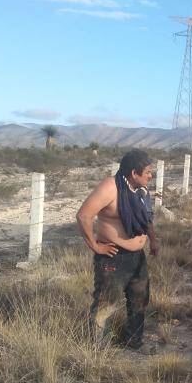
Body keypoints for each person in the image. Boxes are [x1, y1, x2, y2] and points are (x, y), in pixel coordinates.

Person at [76, 149, 153, 348]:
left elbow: (146, 217)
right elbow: (84, 215)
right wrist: (95, 246)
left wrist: (154, 240)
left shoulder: (141, 190)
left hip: (138, 257)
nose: (151, 176)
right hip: (114, 256)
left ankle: (133, 342)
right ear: (134, 173)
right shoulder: (110, 187)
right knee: (106, 304)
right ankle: (97, 350)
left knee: (139, 300)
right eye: (147, 172)